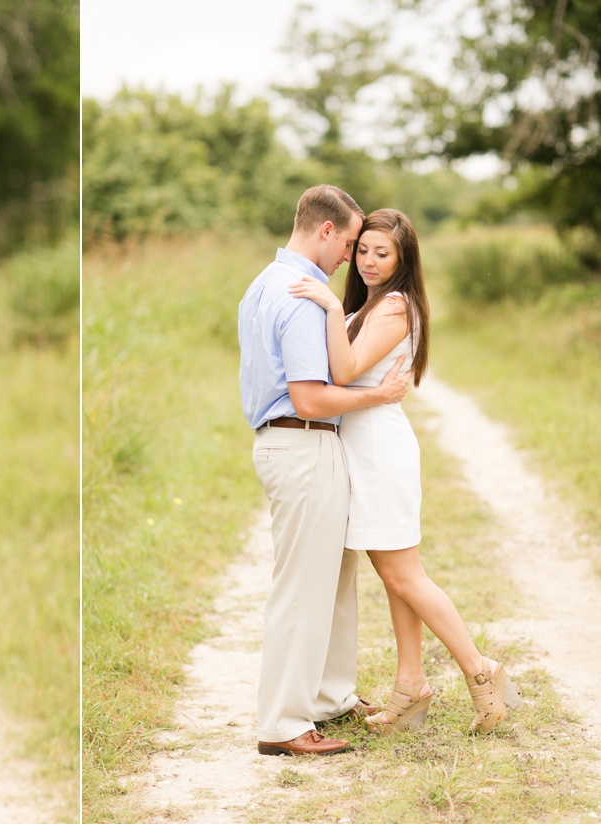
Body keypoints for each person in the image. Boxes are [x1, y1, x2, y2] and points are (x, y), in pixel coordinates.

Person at [287, 208, 521, 734]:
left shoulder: (394, 304)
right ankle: (409, 686)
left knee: (403, 575)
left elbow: (343, 371)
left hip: (379, 450)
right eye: (363, 250)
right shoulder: (370, 303)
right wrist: (337, 308)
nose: (368, 261)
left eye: (382, 253)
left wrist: (327, 304)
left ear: (402, 259)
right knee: (394, 579)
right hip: (362, 446)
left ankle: (481, 671)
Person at [237, 184, 411, 757]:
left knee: (334, 580)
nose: (351, 260)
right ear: (327, 231)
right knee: (302, 588)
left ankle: (331, 697)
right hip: (302, 443)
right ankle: (284, 723)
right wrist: (378, 396)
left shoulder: (262, 283)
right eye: (351, 244)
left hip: (300, 447)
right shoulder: (300, 295)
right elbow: (311, 398)